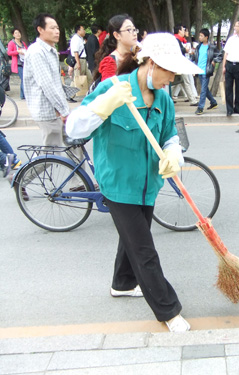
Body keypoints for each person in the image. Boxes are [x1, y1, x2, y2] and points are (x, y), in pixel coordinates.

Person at [66, 33, 203, 332]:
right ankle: (168, 310)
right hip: (118, 184)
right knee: (144, 248)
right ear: (152, 64)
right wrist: (103, 105)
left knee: (132, 238)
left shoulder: (164, 99)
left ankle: (123, 283)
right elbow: (73, 128)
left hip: (148, 184)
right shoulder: (113, 88)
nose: (172, 79)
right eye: (171, 73)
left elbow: (170, 135)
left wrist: (172, 154)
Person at [24, 13, 72, 148]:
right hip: (48, 112)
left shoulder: (50, 50)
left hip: (58, 109)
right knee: (50, 154)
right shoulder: (36, 52)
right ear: (40, 30)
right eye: (52, 28)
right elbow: (47, 85)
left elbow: (55, 83)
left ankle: (79, 170)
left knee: (75, 148)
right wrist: (63, 111)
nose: (57, 31)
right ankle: (27, 170)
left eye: (57, 28)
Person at [93, 14, 139, 84]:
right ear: (117, 35)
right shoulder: (110, 62)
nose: (135, 33)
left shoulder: (138, 55)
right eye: (129, 30)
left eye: (134, 29)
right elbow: (108, 90)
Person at [193, 28, 221, 115]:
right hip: (199, 70)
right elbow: (195, 57)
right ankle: (213, 102)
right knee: (205, 89)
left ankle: (200, 108)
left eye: (201, 36)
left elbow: (220, 55)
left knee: (203, 90)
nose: (200, 37)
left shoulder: (211, 47)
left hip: (206, 71)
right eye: (199, 35)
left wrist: (214, 61)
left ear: (206, 37)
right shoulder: (198, 47)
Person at [173, 25, 198, 106]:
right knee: (186, 81)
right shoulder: (176, 40)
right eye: (183, 30)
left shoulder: (178, 40)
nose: (184, 31)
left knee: (181, 82)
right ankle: (192, 100)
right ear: (179, 31)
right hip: (180, 64)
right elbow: (177, 51)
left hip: (180, 63)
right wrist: (185, 50)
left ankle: (191, 99)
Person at [7, 28, 28, 99]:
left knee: (25, 79)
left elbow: (27, 51)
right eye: (16, 33)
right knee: (23, 78)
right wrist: (17, 51)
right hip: (18, 64)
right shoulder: (11, 43)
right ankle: (24, 95)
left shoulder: (23, 43)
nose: (18, 34)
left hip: (25, 63)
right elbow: (9, 52)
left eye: (19, 32)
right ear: (13, 35)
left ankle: (22, 95)